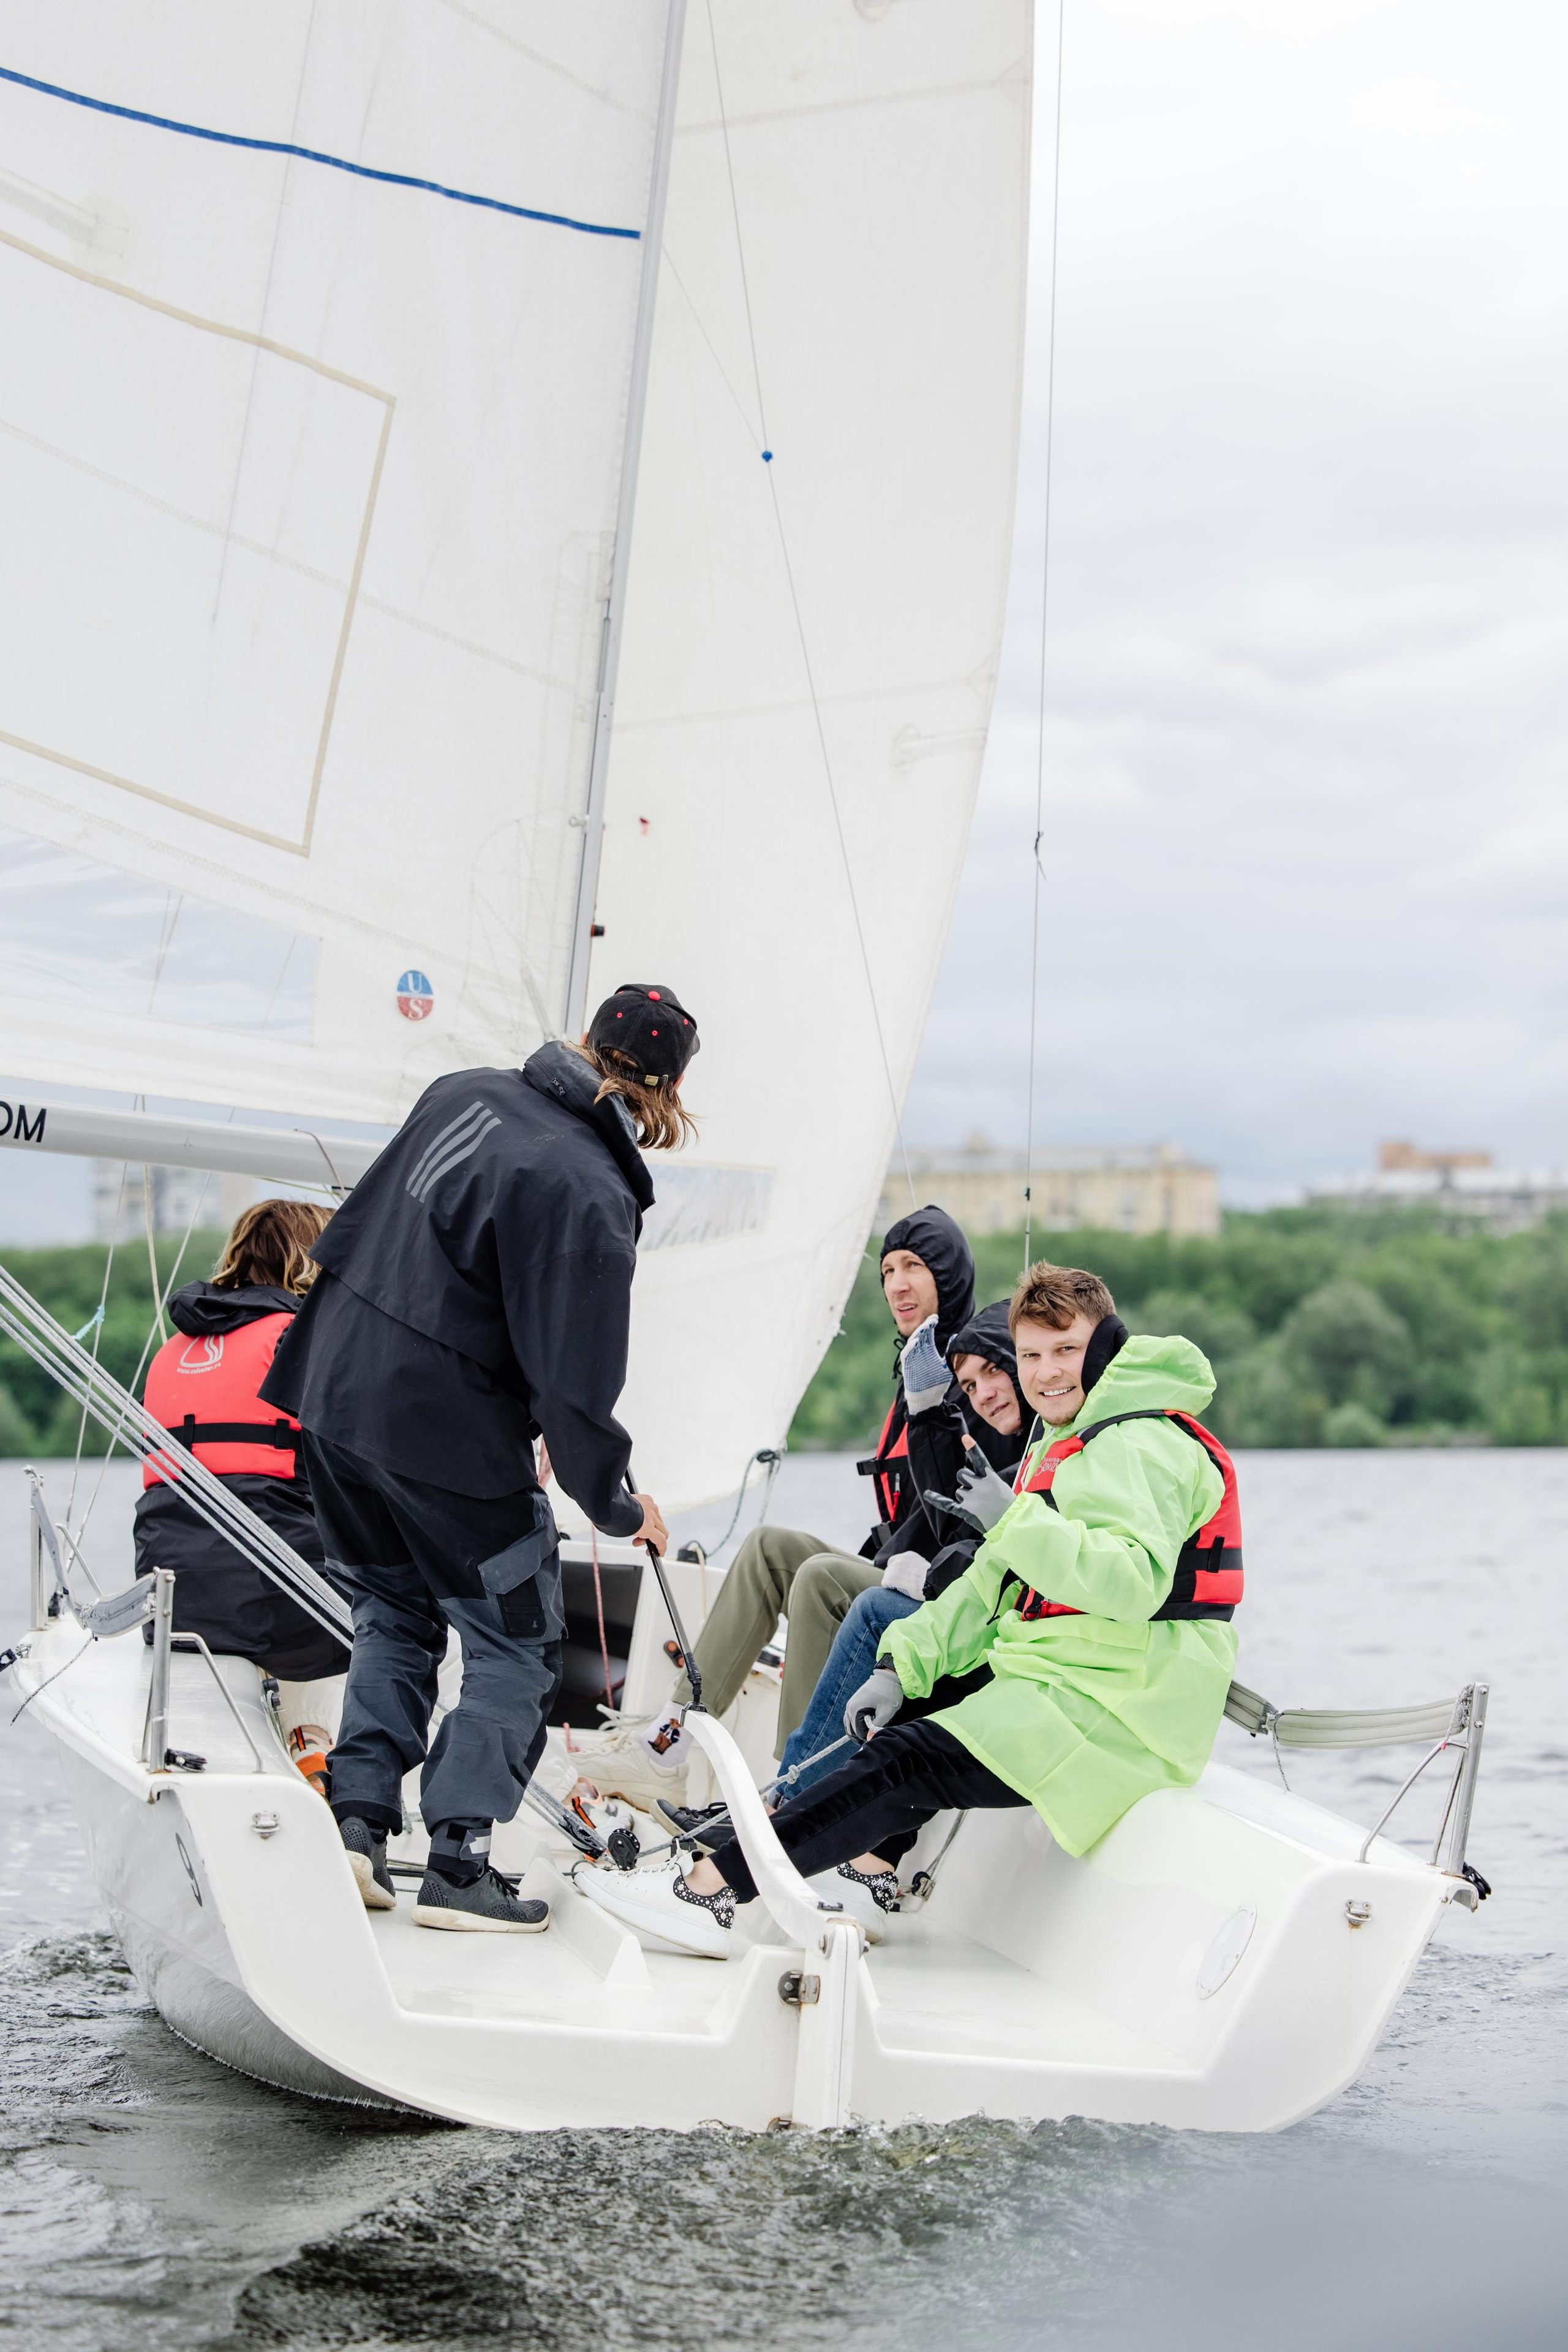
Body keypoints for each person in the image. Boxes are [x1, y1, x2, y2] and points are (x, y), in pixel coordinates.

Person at [578, 1259, 1242, 1959]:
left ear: (1105, 1344)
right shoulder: (1073, 1438)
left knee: (903, 1761)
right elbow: (988, 1585)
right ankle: (862, 1876)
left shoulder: (1142, 1443)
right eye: (1031, 1356)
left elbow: (1130, 1583)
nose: (1046, 1373)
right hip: (1070, 1681)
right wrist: (902, 1666)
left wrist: (1011, 1517)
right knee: (906, 1712)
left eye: (1066, 1350)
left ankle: (709, 1889)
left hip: (1125, 1709)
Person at [260, 984, 698, 1933]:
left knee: (393, 1614)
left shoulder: (460, 1090)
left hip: (330, 1395)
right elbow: (576, 1393)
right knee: (516, 1646)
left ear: (588, 1041)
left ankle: (357, 1831)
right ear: (662, 1101)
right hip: (440, 1431)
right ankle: (458, 1866)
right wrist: (620, 1509)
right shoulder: (592, 1187)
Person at [589, 1205, 976, 1817]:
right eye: (887, 1271)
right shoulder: (915, 1366)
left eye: (914, 1267)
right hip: (898, 1566)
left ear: (948, 1276)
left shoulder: (978, 1371)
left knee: (820, 1577)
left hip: (944, 1592)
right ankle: (666, 1742)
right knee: (769, 1546)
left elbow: (965, 1505)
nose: (896, 1284)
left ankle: (792, 1794)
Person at [770, 1299, 1034, 1838]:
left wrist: (929, 1577)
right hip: (969, 1604)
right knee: (775, 1551)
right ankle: (789, 1787)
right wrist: (929, 1408)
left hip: (1009, 1638)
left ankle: (787, 1804)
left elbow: (996, 1552)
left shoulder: (1052, 1442)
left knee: (864, 1606)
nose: (982, 1391)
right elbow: (949, 1515)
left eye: (993, 1371)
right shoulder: (1010, 1427)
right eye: (969, 1382)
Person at [135, 1200, 347, 1787]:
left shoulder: (171, 1353)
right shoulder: (303, 1341)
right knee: (435, 1622)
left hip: (175, 1602)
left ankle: (304, 1744)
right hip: (271, 1601)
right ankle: (325, 1754)